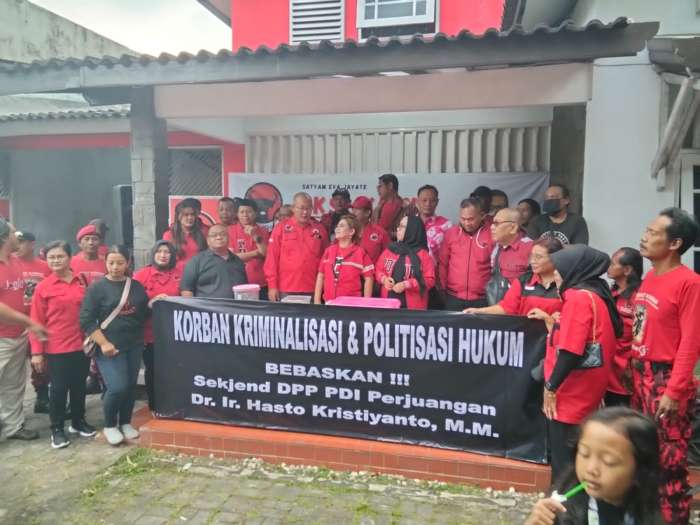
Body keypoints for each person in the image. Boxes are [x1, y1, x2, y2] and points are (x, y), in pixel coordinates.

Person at [631, 208, 700, 525]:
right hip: (641, 375)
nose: (644, 237)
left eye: (653, 233)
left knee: (668, 461)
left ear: (674, 243)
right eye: (646, 230)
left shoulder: (689, 283)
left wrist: (674, 390)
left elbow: (691, 342)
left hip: (666, 380)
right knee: (644, 454)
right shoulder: (649, 277)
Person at [542, 245, 622, 484]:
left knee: (564, 462)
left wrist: (551, 387)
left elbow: (570, 350)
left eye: (559, 269)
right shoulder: (595, 294)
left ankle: (563, 503)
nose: (555, 274)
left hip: (570, 392)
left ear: (574, 270)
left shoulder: (578, 298)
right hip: (586, 389)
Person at [525, 407, 663, 525]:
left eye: (609, 461)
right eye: (584, 454)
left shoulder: (647, 514)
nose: (591, 469)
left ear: (641, 470)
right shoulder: (560, 511)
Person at [79, 245, 149, 446]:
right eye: (111, 263)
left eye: (120, 263)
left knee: (130, 386)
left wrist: (156, 302)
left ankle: (125, 422)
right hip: (109, 346)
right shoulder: (97, 288)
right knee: (117, 387)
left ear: (128, 263)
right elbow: (86, 320)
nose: (115, 267)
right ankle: (110, 425)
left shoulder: (136, 286)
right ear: (105, 263)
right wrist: (103, 343)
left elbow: (143, 313)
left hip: (134, 344)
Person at [30, 241, 95, 449]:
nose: (56, 261)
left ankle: (78, 421)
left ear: (69, 258)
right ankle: (57, 429)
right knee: (58, 389)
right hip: (56, 348)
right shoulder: (43, 287)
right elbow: (36, 321)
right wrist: (37, 353)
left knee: (79, 386)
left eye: (60, 256)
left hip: (81, 345)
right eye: (51, 257)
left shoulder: (82, 281)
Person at [0, 219, 43, 440]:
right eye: (13, 233)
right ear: (3, 238)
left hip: (17, 335)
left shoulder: (15, 262)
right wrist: (28, 321)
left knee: (14, 384)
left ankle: (13, 427)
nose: (17, 237)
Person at [133, 241, 181, 410]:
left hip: (175, 332)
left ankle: (174, 402)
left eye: (167, 252)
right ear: (153, 254)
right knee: (153, 369)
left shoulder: (180, 274)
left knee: (174, 369)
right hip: (150, 332)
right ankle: (155, 405)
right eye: (159, 251)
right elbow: (132, 304)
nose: (163, 255)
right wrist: (150, 303)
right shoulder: (141, 275)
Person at [464, 237, 563, 317]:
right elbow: (506, 307)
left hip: (556, 335)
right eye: (532, 256)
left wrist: (549, 320)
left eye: (538, 257)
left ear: (555, 258)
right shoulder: (524, 280)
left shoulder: (566, 283)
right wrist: (479, 311)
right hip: (528, 335)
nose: (532, 261)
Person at [264, 193, 328, 302]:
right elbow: (272, 259)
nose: (305, 212)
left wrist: (324, 286)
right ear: (293, 208)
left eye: (308, 208)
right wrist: (272, 286)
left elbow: (326, 260)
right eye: (301, 208)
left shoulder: (319, 229)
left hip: (312, 288)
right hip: (286, 288)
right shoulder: (281, 228)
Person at [14, 230, 51, 413]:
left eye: (22, 242)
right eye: (16, 241)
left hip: (37, 322)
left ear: (31, 244)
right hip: (13, 324)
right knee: (12, 369)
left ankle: (42, 398)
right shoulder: (8, 264)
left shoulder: (45, 267)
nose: (17, 246)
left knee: (40, 362)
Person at [438, 198, 493, 310]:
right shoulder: (451, 233)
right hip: (453, 297)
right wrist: (442, 289)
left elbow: (496, 267)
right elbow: (443, 264)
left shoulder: (491, 235)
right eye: (463, 219)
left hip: (482, 298)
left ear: (482, 215)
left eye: (471, 219)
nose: (467, 223)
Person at [605, 247, 643, 408]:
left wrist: (631, 365)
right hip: (608, 362)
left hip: (626, 365)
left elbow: (640, 333)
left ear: (627, 270)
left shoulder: (640, 296)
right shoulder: (610, 291)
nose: (609, 266)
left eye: (613, 264)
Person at [375, 215, 435, 310]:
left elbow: (429, 280)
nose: (398, 229)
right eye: (399, 226)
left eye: (402, 226)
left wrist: (406, 285)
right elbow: (378, 270)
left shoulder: (423, 255)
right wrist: (384, 279)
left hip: (412, 309)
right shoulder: (390, 249)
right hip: (388, 305)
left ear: (411, 230)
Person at [314, 215, 374, 304]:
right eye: (337, 226)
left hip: (351, 304)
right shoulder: (329, 251)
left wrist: (366, 303)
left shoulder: (360, 252)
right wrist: (317, 300)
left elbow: (369, 278)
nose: (337, 229)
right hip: (329, 303)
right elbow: (321, 275)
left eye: (341, 226)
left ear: (351, 231)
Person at [180, 224, 248, 299]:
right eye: (214, 235)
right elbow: (186, 290)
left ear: (228, 238)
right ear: (208, 241)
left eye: (223, 234)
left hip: (235, 306)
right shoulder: (196, 261)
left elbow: (244, 289)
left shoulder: (238, 261)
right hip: (206, 306)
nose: (219, 237)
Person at [227, 199, 269, 299]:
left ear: (255, 213)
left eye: (249, 211)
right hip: (238, 283)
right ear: (237, 214)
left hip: (261, 283)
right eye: (242, 212)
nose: (245, 215)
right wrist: (256, 253)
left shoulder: (263, 231)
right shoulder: (230, 230)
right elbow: (231, 257)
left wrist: (255, 236)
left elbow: (266, 254)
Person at [490, 208, 533, 281]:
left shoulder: (530, 247)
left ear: (513, 228)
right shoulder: (496, 246)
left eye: (496, 223)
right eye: (492, 223)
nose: (491, 227)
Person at [163, 199, 208, 268]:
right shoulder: (169, 235)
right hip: (177, 272)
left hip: (201, 270)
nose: (190, 217)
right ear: (178, 216)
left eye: (192, 214)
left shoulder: (205, 231)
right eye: (186, 215)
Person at [415, 185, 451, 262]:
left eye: (432, 201)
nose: (428, 204)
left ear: (437, 202)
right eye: (424, 200)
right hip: (411, 268)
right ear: (417, 201)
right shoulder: (408, 223)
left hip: (436, 269)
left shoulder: (446, 225)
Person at [350, 196, 389, 264]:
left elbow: (389, 257)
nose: (353, 212)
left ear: (367, 213)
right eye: (352, 209)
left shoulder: (380, 232)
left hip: (373, 270)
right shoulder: (346, 232)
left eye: (357, 209)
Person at [372, 174, 404, 238]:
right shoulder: (382, 204)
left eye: (380, 186)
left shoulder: (394, 205)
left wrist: (377, 211)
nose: (377, 188)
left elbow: (378, 231)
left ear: (390, 186)